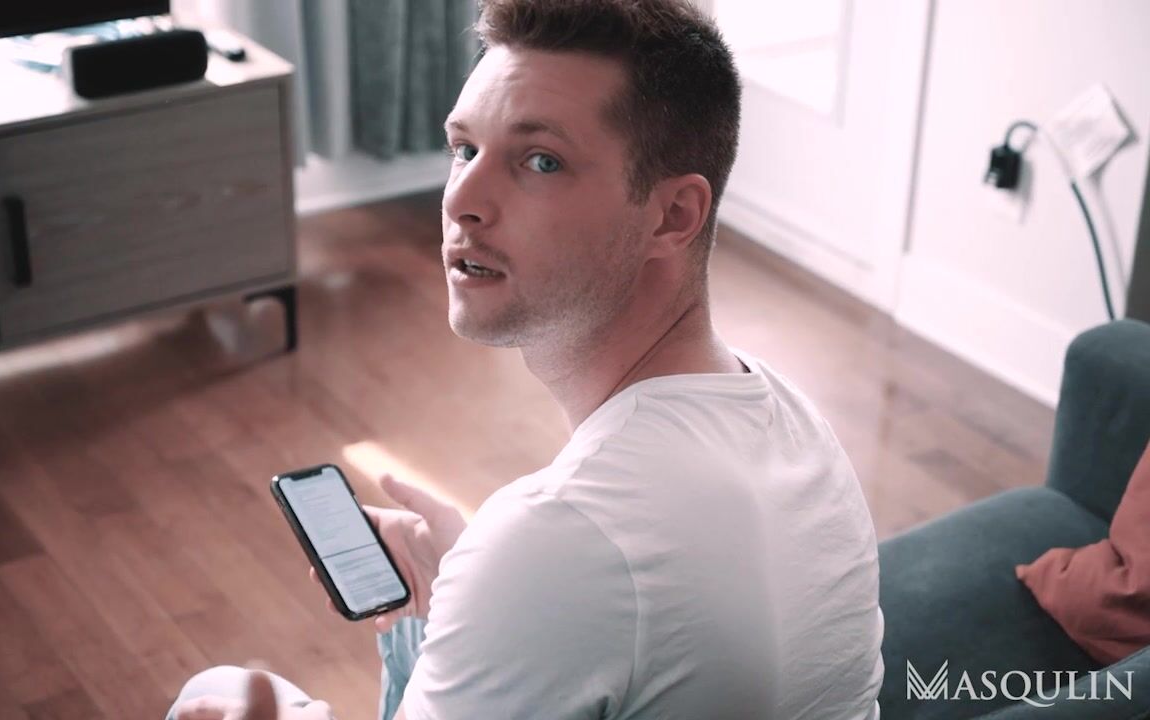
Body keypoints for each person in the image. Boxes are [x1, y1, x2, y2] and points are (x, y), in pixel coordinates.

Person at [171, 1, 885, 718]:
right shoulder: (791, 417)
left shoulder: (559, 539)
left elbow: (592, 570)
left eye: (541, 161)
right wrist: (471, 578)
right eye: (463, 150)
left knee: (212, 693)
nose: (462, 201)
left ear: (672, 216)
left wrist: (505, 578)